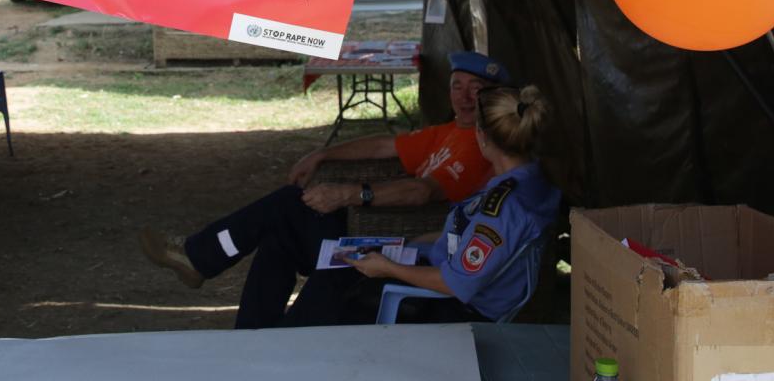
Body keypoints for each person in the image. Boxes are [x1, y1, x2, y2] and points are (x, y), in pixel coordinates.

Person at [139, 50, 511, 329]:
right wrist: (324, 154)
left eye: (476, 90)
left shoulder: (480, 145)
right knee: (279, 238)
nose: (464, 97)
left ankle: (202, 259)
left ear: (494, 99)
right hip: (380, 233)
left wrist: (351, 194)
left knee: (288, 206)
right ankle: (248, 337)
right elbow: (385, 146)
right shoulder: (450, 131)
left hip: (405, 245)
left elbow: (422, 193)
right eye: (457, 87)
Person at [276, 84, 562, 327]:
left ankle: (282, 348)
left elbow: (456, 284)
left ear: (482, 136)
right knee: (332, 271)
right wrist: (407, 246)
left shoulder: (504, 208)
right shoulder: (529, 181)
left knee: (330, 286)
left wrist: (388, 268)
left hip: (451, 308)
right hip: (435, 266)